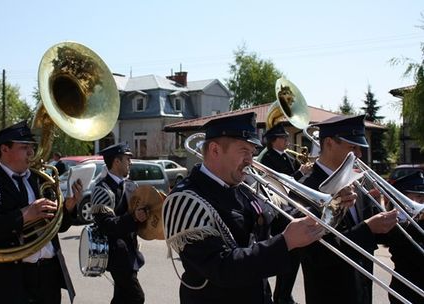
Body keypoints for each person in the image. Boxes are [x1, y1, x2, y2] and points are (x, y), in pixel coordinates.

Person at [162, 113, 334, 304]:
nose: (250, 160)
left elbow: (275, 221)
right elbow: (221, 268)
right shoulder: (185, 199)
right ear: (215, 150)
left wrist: (323, 209)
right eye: (244, 150)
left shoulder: (244, 186)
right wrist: (284, 243)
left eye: (252, 153)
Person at [0, 120, 83, 304]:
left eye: (31, 147)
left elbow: (55, 227)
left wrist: (68, 207)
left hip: (47, 279)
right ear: (5, 149)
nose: (31, 153)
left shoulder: (40, 180)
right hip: (6, 283)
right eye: (24, 147)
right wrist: (23, 216)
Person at [297, 114, 398, 304]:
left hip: (363, 294)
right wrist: (367, 228)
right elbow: (315, 255)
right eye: (352, 147)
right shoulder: (306, 189)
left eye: (359, 148)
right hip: (330, 296)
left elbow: (377, 233)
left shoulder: (358, 183)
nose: (359, 155)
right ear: (328, 143)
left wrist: (395, 220)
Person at [258, 123, 312, 304]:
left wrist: (305, 173)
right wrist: (299, 173)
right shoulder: (267, 158)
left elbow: (295, 183)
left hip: (291, 209)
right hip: (279, 213)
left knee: (294, 256)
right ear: (274, 141)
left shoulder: (286, 157)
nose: (288, 141)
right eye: (284, 138)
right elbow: (279, 184)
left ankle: (284, 294)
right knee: (288, 254)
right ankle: (281, 296)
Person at [90, 143, 148, 304]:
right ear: (116, 161)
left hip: (130, 251)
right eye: (127, 159)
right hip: (116, 255)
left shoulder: (131, 185)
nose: (131, 162)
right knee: (136, 297)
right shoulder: (102, 189)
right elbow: (106, 226)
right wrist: (133, 218)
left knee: (122, 298)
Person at [385, 171, 424, 304]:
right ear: (402, 198)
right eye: (418, 197)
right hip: (408, 293)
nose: (422, 201)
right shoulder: (397, 226)